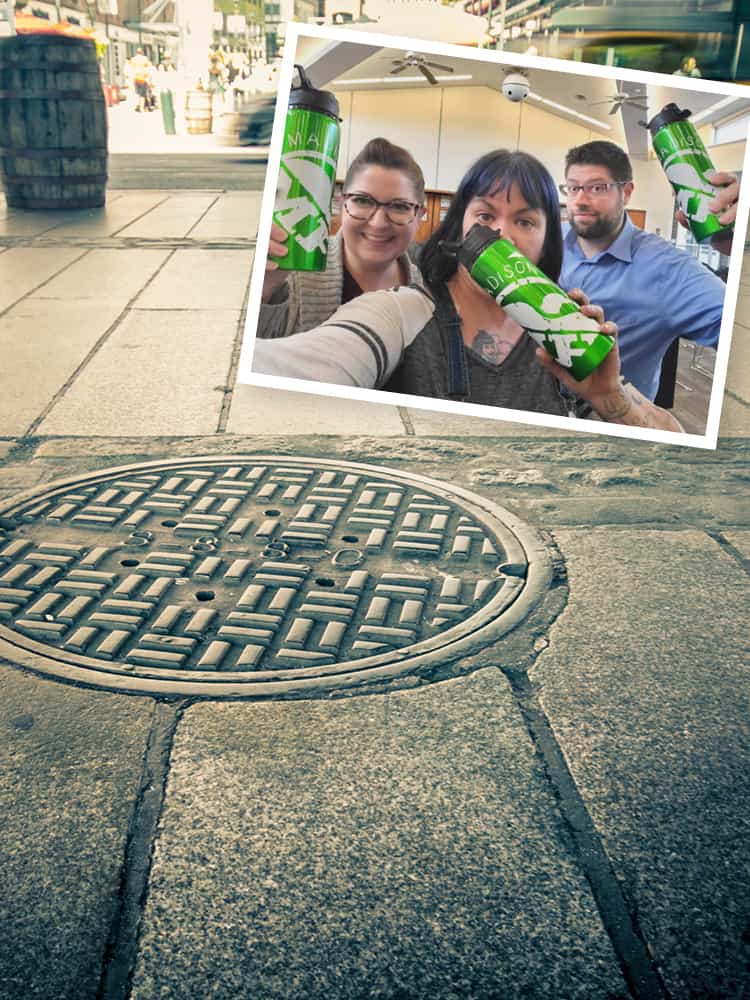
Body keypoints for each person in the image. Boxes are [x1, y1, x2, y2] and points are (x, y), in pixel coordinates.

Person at [252, 149, 682, 433]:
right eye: (485, 215)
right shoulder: (402, 312)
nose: (502, 235)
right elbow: (309, 363)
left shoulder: (563, 329)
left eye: (526, 221)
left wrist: (610, 400)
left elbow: (674, 437)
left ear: (549, 243)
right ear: (459, 226)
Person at [559, 140, 738, 401]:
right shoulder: (547, 239)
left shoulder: (668, 269)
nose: (580, 200)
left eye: (597, 188)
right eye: (573, 188)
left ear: (627, 192)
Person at [259, 137, 425, 339]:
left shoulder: (430, 292)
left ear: (419, 216)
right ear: (342, 203)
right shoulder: (292, 273)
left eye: (400, 206)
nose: (378, 223)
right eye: (362, 200)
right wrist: (263, 290)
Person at [130, 48, 152, 113]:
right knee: (143, 94)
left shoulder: (133, 59)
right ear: (142, 52)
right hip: (143, 78)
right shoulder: (145, 59)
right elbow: (148, 68)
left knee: (138, 93)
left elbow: (131, 69)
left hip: (136, 78)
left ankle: (138, 106)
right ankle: (142, 108)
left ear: (136, 52)